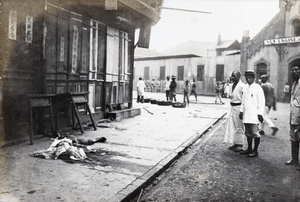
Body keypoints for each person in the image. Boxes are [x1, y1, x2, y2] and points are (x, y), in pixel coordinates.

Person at [239, 70, 265, 157]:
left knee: (255, 133)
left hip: (254, 115)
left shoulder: (258, 88)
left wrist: (260, 114)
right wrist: (241, 111)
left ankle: (255, 150)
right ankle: (249, 148)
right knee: (248, 133)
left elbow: (261, 102)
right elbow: (243, 101)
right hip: (246, 115)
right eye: (246, 78)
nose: (248, 79)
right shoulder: (245, 87)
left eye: (250, 78)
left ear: (254, 78)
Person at [224, 70, 245, 152]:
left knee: (239, 126)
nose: (232, 77)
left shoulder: (242, 86)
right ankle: (235, 143)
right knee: (232, 126)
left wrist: (242, 111)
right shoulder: (231, 86)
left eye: (234, 76)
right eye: (232, 75)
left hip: (239, 108)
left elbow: (244, 100)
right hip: (232, 108)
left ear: (239, 76)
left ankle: (240, 144)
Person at [286, 65, 300, 171]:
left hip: (299, 116)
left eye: (297, 70)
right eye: (293, 70)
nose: (294, 72)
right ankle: (294, 159)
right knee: (293, 138)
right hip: (293, 116)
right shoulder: (294, 83)